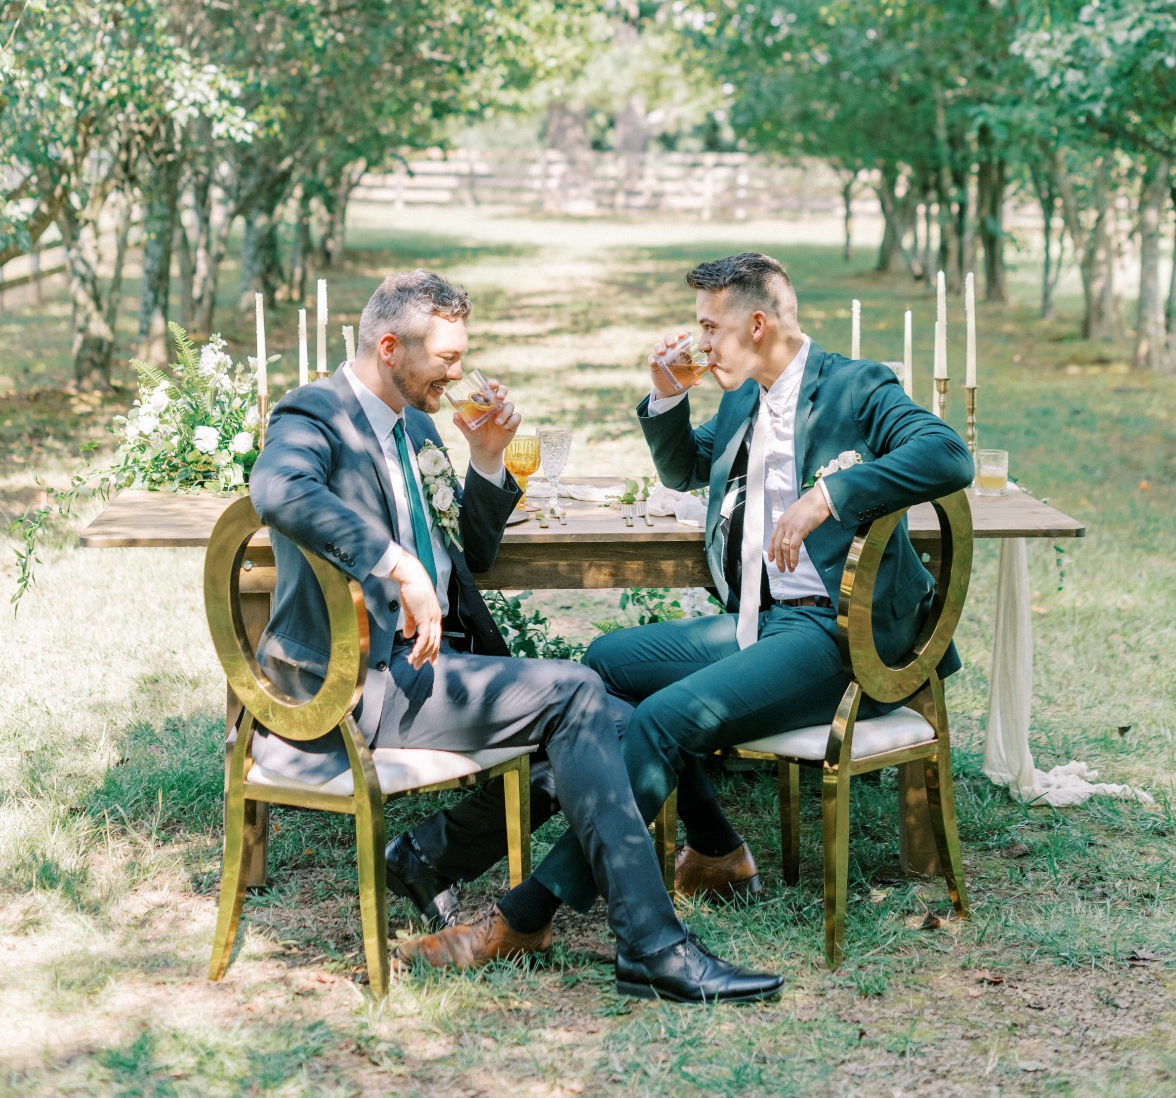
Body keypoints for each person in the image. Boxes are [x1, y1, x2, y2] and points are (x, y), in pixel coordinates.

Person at [249, 268, 782, 1004]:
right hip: (355, 681)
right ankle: (654, 947)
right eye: (447, 359)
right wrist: (392, 561)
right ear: (390, 345)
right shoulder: (314, 415)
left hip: (431, 668)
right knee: (579, 693)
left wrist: (489, 459)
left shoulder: (413, 423)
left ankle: (433, 857)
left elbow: (464, 561)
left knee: (627, 722)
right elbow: (277, 491)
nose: (460, 374)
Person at [490, 250, 975, 919]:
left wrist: (829, 494)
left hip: (844, 635)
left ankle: (531, 911)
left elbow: (948, 455)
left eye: (709, 327)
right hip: (765, 622)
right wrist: (667, 397)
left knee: (662, 720)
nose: (699, 342)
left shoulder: (856, 387)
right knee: (607, 664)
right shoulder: (747, 397)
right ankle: (717, 848)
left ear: (756, 325)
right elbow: (687, 467)